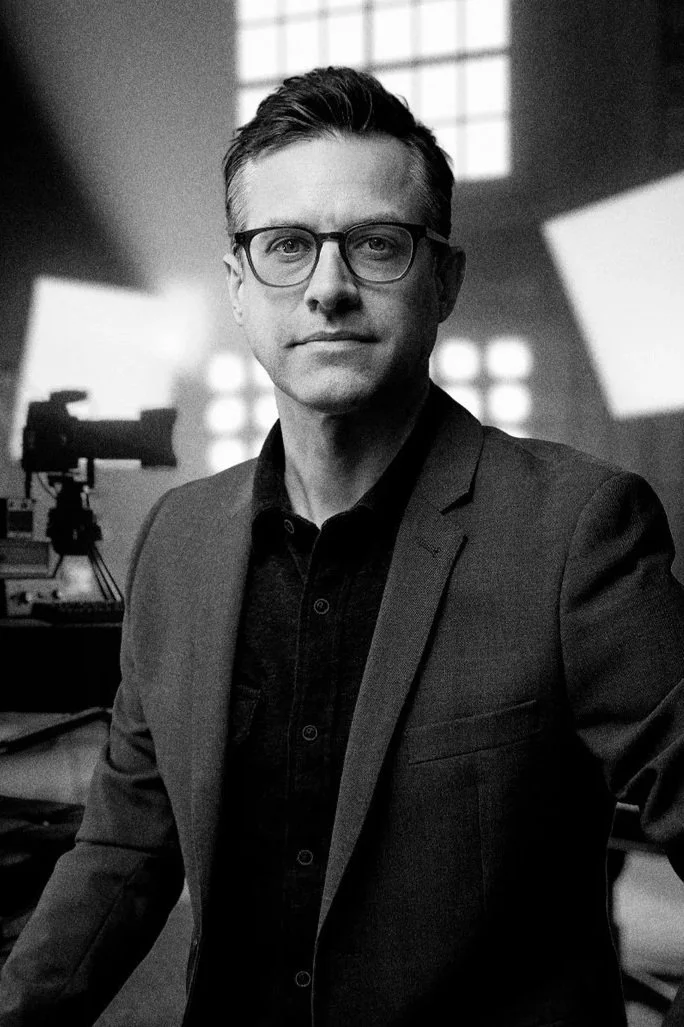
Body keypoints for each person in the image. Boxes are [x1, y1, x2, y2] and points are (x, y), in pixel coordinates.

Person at [1, 65, 684, 1027]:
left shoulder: (578, 529)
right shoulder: (180, 538)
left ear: (444, 279)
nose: (328, 288)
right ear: (238, 287)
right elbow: (124, 847)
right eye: (285, 246)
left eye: (376, 244)